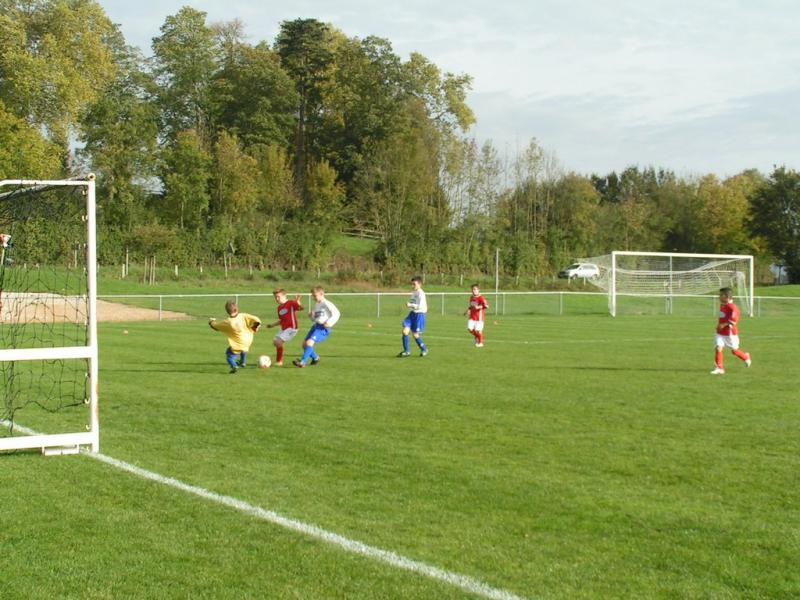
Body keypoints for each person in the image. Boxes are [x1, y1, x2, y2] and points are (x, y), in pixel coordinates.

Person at [208, 300, 261, 374]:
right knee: (243, 349)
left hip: (239, 342)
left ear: (227, 311)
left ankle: (234, 366)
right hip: (248, 339)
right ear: (237, 309)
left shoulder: (228, 322)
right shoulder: (243, 315)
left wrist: (211, 322)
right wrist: (254, 328)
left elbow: (216, 327)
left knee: (229, 355)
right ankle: (242, 362)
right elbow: (257, 320)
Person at [293, 286, 340, 368]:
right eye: (313, 295)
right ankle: (315, 358)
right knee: (304, 345)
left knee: (309, 343)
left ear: (322, 294)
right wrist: (311, 316)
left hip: (323, 328)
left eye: (315, 295)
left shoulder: (326, 303)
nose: (313, 297)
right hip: (316, 326)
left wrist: (329, 323)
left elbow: (337, 313)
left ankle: (302, 362)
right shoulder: (317, 304)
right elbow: (315, 319)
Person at [711, 287, 752, 375]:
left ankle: (746, 357)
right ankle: (719, 368)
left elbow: (734, 320)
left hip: (730, 334)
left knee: (734, 351)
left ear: (727, 296)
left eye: (721, 295)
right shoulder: (723, 305)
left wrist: (723, 325)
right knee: (718, 347)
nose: (719, 296)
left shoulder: (732, 307)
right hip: (720, 333)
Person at [266, 289, 302, 366]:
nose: (277, 299)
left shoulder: (291, 303)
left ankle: (279, 361)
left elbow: (300, 308)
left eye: (278, 296)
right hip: (284, 329)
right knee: (275, 342)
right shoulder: (279, 308)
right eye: (275, 297)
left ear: (284, 296)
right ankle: (313, 355)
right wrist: (272, 325)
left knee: (278, 342)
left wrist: (298, 302)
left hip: (291, 328)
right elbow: (281, 320)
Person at [398, 276, 428, 357]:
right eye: (412, 284)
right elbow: (413, 304)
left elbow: (420, 306)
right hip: (412, 314)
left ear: (419, 284)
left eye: (414, 284)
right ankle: (406, 351)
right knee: (405, 331)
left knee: (415, 335)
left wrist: (410, 305)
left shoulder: (421, 294)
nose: (412, 286)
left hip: (419, 315)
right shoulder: (414, 293)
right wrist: (410, 305)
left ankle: (424, 349)